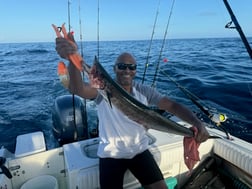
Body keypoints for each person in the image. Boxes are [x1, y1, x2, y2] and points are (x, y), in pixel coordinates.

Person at [55, 34, 210, 189]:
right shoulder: (100, 92)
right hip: (111, 155)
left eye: (131, 67)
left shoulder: (144, 91)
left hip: (139, 151)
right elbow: (77, 88)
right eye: (121, 66)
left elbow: (173, 106)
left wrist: (197, 123)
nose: (126, 70)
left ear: (135, 71)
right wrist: (72, 58)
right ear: (114, 69)